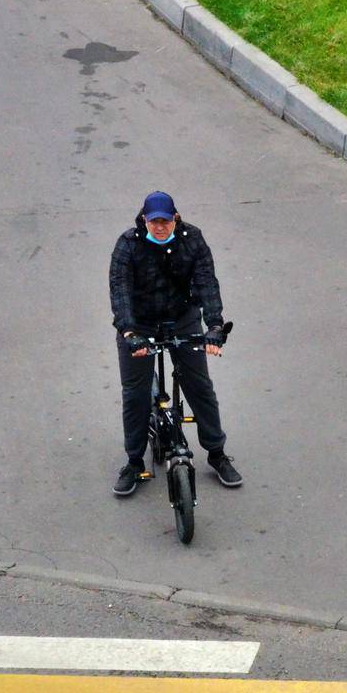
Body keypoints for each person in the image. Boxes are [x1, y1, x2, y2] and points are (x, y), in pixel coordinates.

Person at [109, 191, 242, 497]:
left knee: (199, 385)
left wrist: (215, 326)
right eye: (153, 221)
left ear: (175, 219)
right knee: (135, 394)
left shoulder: (192, 239)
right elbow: (120, 290)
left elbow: (207, 281)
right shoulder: (128, 244)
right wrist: (129, 333)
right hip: (140, 325)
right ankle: (133, 461)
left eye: (165, 222)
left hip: (182, 318)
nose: (159, 227)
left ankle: (217, 453)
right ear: (144, 220)